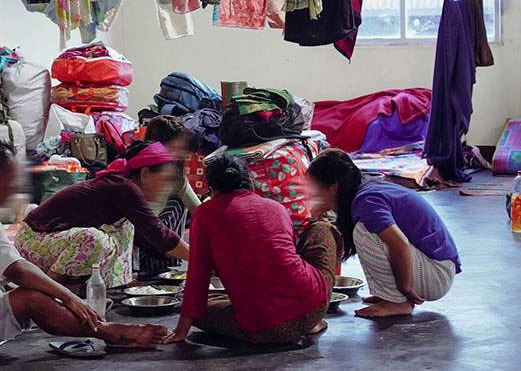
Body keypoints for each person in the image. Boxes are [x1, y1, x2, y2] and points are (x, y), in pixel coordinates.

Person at [0, 139, 168, 353]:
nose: (16, 187)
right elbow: (18, 271)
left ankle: (88, 317)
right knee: (32, 298)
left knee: (40, 288)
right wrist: (69, 298)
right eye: (11, 179)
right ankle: (107, 331)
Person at [166, 156, 341, 344]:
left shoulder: (204, 214)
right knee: (323, 229)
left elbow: (198, 277)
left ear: (212, 190)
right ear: (249, 183)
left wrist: (181, 331)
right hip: (313, 309)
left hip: (261, 328)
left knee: (200, 312)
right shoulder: (277, 207)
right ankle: (309, 324)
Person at [15, 141, 190, 291]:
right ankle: (45, 289)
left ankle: (105, 284)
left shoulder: (123, 185)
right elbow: (158, 234)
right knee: (95, 239)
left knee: (125, 228)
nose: (166, 187)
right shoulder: (124, 186)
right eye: (163, 179)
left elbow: (148, 240)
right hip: (31, 241)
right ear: (144, 174)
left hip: (51, 243)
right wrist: (202, 259)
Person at [306, 149, 461, 318]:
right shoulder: (365, 189)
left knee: (364, 233)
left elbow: (399, 244)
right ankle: (389, 294)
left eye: (316, 190)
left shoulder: (367, 201)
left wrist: (405, 289)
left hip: (437, 275)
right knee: (351, 224)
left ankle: (397, 301)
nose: (314, 196)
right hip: (434, 267)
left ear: (334, 187)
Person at [139, 115, 202, 273]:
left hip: (162, 242)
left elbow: (199, 211)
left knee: (178, 203)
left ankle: (166, 268)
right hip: (139, 242)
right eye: (171, 149)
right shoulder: (138, 172)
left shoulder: (176, 177)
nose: (175, 156)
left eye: (178, 150)